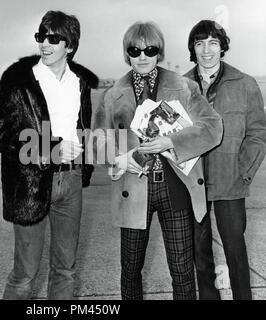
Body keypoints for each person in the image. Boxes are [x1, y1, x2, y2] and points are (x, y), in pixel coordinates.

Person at [93, 21, 222, 300]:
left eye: (149, 50)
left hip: (175, 187)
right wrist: (118, 159)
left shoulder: (184, 87)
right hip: (133, 189)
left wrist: (172, 142)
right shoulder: (112, 95)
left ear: (158, 52)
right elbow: (97, 139)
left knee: (182, 270)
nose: (142, 56)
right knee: (130, 270)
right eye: (135, 50)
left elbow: (213, 126)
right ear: (127, 53)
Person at [0, 10, 98, 300]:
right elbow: (5, 135)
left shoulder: (80, 83)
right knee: (25, 274)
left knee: (65, 269)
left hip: (71, 180)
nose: (45, 44)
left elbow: (84, 128)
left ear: (71, 46)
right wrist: (51, 148)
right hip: (31, 182)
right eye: (41, 36)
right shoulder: (18, 81)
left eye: (54, 38)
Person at [184, 20, 266, 300]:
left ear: (222, 47)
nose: (206, 50)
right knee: (200, 253)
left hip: (230, 183)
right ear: (192, 49)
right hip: (193, 185)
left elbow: (257, 133)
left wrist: (243, 172)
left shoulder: (244, 84)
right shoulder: (180, 87)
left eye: (213, 43)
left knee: (235, 251)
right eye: (199, 43)